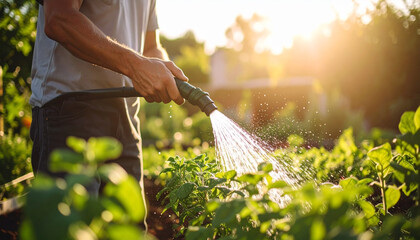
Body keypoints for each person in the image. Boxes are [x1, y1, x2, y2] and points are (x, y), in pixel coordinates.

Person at [30, 0, 188, 228]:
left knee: (128, 228)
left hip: (126, 115)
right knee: (72, 226)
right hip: (71, 108)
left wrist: (164, 69)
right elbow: (59, 19)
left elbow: (150, 47)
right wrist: (136, 66)